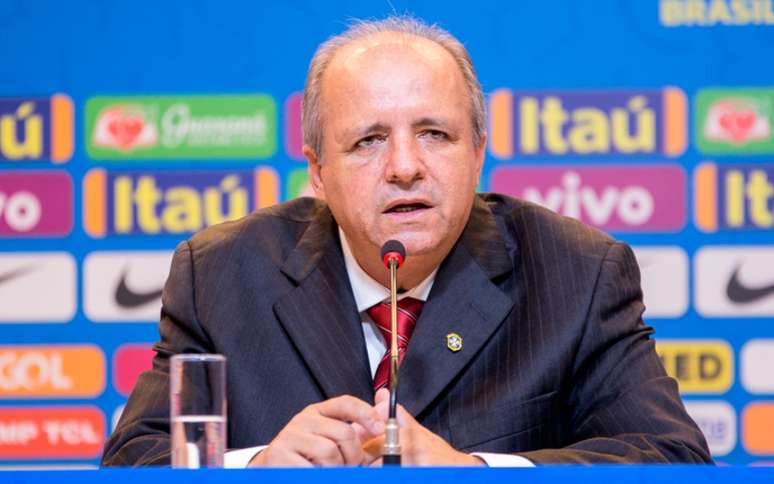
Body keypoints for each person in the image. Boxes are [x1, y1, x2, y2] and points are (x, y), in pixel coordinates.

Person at [102, 16, 712, 467]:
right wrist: (255, 467)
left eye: (435, 134)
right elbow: (134, 459)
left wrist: (475, 474)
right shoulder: (223, 275)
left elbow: (672, 458)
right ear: (318, 171)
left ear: (477, 153)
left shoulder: (577, 273)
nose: (404, 166)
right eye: (368, 140)